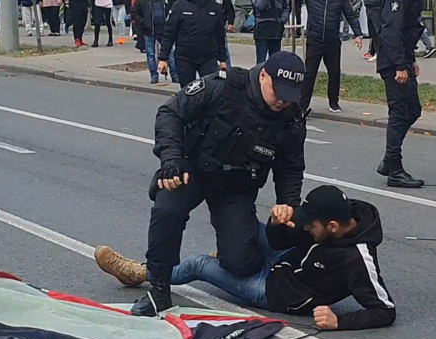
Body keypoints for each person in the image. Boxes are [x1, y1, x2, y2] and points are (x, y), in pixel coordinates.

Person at [114, 51, 308, 317]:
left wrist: (288, 203)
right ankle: (158, 289)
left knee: (241, 264)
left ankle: (227, 248)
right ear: (263, 75)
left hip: (236, 186)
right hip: (193, 169)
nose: (283, 101)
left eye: (289, 95)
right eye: (278, 92)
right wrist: (171, 159)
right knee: (167, 210)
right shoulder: (224, 85)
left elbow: (291, 167)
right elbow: (170, 114)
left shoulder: (291, 117)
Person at [94, 185, 397, 331]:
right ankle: (231, 257)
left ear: (332, 227)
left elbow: (385, 310)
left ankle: (142, 273)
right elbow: (286, 238)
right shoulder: (335, 217)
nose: (306, 226)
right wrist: (278, 224)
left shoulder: (359, 259)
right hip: (285, 257)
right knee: (245, 226)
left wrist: (338, 322)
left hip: (273, 289)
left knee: (199, 265)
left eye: (310, 225)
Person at [374, 0, 424, 188]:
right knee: (399, 113)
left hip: (403, 58)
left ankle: (389, 160)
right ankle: (395, 169)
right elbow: (390, 31)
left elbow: (407, 31)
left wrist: (411, 61)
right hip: (393, 63)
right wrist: (400, 65)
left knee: (413, 110)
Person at [299, 0, 363, 112]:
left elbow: (350, 15)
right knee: (309, 74)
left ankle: (334, 103)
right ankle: (303, 106)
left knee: (334, 72)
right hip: (314, 40)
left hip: (332, 40)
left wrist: (358, 34)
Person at [157, 0, 227, 87]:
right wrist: (163, 59)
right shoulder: (179, 5)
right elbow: (169, 34)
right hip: (184, 58)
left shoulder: (215, 7)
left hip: (208, 58)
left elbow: (220, 36)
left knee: (212, 90)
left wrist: (222, 60)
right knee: (187, 92)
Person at [131, 0, 179, 83]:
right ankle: (154, 76)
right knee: (150, 54)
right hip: (149, 31)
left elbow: (173, 11)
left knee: (170, 53)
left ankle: (175, 75)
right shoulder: (142, 1)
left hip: (164, 31)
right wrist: (143, 22)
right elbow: (134, 12)